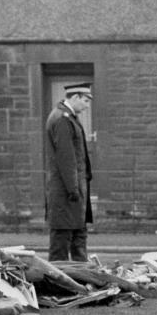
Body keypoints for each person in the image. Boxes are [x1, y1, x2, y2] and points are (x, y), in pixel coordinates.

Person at [45, 82, 94, 262]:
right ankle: (59, 285)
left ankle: (82, 279)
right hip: (67, 191)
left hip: (72, 189)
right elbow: (66, 158)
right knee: (62, 241)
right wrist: (74, 189)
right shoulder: (62, 119)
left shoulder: (66, 117)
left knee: (78, 236)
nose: (87, 106)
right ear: (75, 97)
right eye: (86, 101)